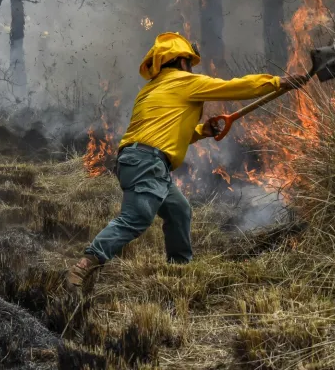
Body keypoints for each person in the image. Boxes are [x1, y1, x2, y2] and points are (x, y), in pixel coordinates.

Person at [66, 32, 310, 290]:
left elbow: (165, 135)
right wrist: (277, 82)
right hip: (148, 162)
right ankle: (85, 265)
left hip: (138, 160)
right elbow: (233, 88)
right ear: (182, 62)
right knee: (136, 218)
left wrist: (202, 131)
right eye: (190, 63)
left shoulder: (151, 89)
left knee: (178, 209)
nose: (192, 68)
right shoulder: (183, 81)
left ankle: (179, 271)